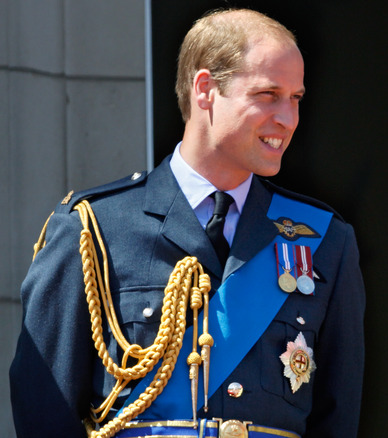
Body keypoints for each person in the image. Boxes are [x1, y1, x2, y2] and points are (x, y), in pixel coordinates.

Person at [10, 8, 365, 438]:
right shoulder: (92, 230)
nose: (288, 119)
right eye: (268, 94)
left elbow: (338, 417)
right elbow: (44, 411)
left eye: (295, 98)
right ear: (205, 89)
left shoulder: (325, 240)